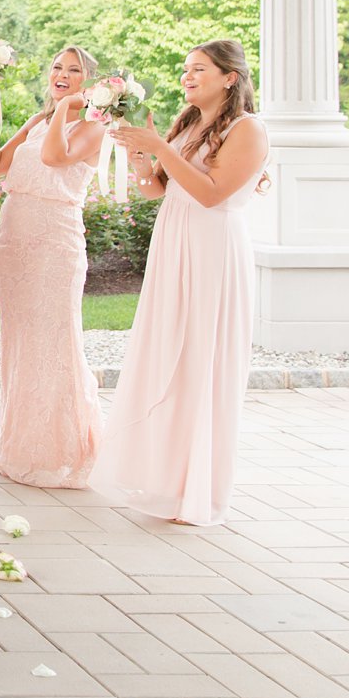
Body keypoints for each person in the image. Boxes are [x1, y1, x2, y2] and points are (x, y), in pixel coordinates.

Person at [90, 40, 269, 526]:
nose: (187, 77)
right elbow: (160, 190)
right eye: (185, 69)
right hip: (175, 245)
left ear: (230, 77)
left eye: (198, 69)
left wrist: (162, 148)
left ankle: (202, 491)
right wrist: (145, 164)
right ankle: (168, 481)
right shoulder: (190, 122)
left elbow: (212, 195)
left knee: (202, 362)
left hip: (213, 252)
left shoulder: (247, 130)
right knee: (169, 355)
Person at [0, 46, 106, 489]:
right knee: (21, 343)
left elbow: (54, 158)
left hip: (55, 241)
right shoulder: (37, 120)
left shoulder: (93, 126)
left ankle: (61, 453)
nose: (62, 75)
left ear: (90, 83)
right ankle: (21, 449)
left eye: (74, 71)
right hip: (14, 240)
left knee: (55, 341)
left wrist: (68, 109)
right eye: (57, 67)